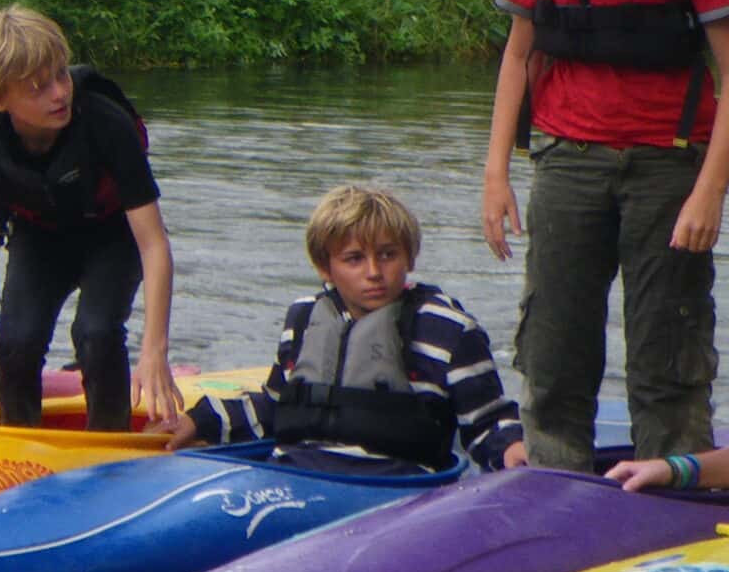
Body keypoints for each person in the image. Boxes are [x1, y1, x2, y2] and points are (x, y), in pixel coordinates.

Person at [482, 0, 729, 472]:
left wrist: (709, 190)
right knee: (554, 346)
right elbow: (518, 56)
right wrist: (496, 172)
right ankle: (557, 489)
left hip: (668, 169)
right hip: (566, 161)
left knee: (666, 349)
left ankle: (675, 488)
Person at [0, 6, 177, 431]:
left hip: (112, 236)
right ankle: (18, 437)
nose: (59, 93)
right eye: (38, 88)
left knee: (95, 332)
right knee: (14, 344)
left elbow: (154, 245)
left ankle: (110, 436)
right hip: (40, 238)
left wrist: (154, 351)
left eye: (61, 75)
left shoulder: (105, 123)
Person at [167, 185, 524, 468]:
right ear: (326, 267)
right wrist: (203, 421)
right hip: (297, 473)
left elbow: (487, 422)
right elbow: (276, 406)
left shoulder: (448, 329)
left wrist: (510, 449)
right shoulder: (304, 319)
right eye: (355, 259)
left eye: (388, 255)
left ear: (410, 257)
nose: (373, 272)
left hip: (398, 489)